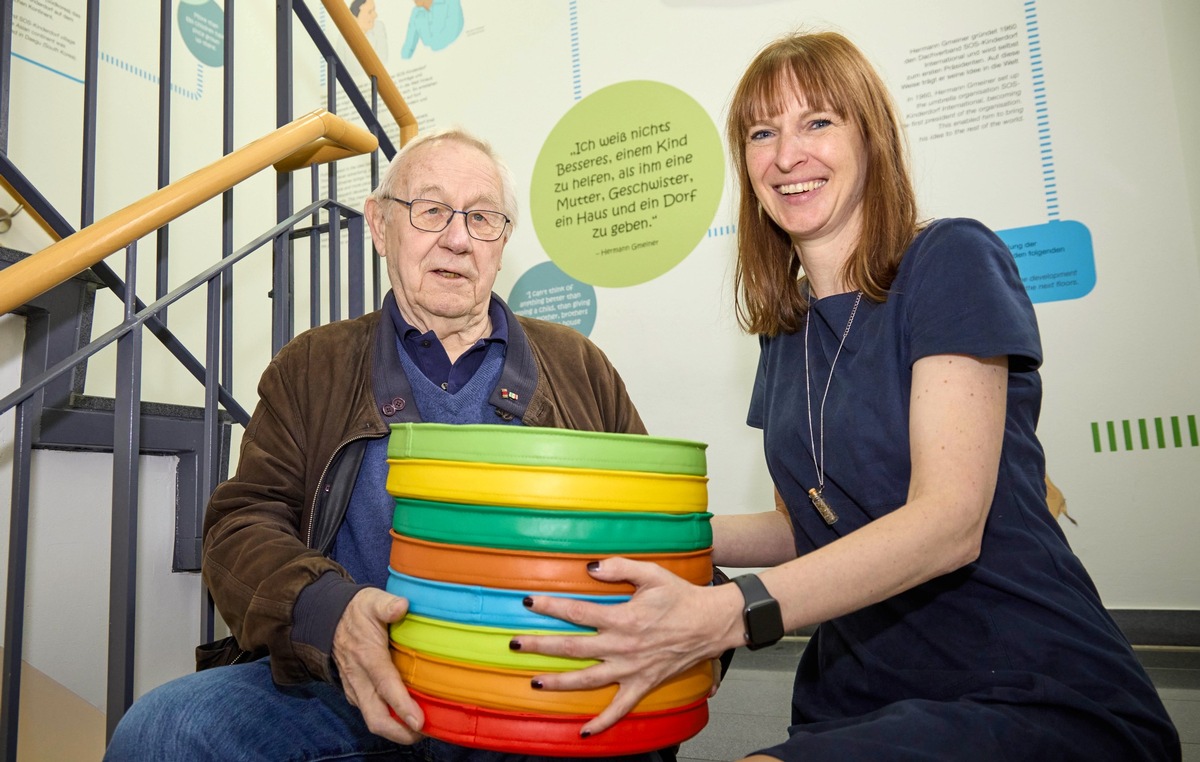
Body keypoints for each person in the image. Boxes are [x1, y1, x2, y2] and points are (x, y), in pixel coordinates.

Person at [517, 31, 1182, 761]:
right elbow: (809, 526)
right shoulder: (785, 328)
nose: (786, 154)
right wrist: (640, 527)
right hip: (860, 685)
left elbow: (948, 523)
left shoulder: (950, 259)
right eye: (761, 132)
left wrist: (727, 613)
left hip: (1020, 679)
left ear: (872, 137)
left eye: (818, 122)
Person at [104, 128, 663, 761]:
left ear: (501, 242)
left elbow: (650, 527)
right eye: (430, 210)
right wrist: (328, 612)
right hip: (350, 685)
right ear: (379, 225)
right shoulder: (312, 365)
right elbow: (242, 523)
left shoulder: (578, 365)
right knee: (162, 733)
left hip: (539, 689)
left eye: (481, 217)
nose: (457, 237)